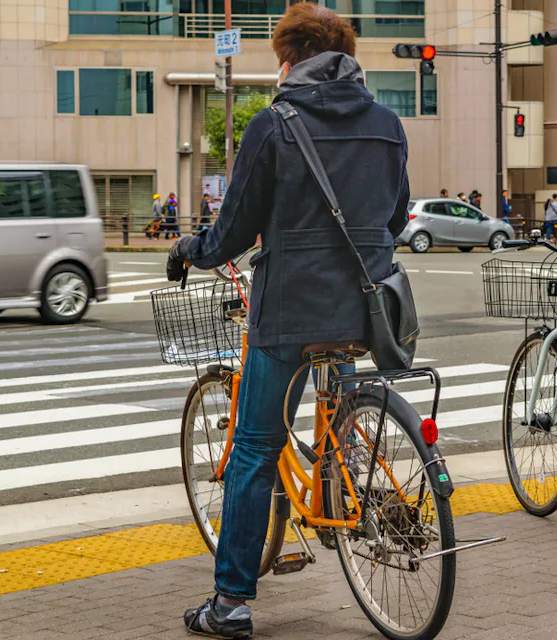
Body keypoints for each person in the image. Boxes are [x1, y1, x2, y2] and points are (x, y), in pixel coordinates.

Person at [165, 4, 410, 636]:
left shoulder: (273, 126)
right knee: (338, 404)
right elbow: (393, 217)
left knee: (253, 448)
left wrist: (188, 250)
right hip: (365, 306)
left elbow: (231, 232)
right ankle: (348, 474)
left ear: (287, 60)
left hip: (287, 314)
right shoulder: (387, 123)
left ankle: (231, 604)